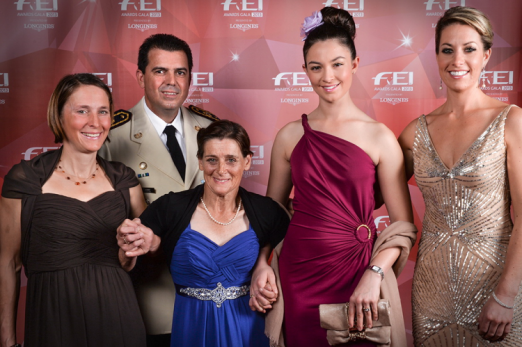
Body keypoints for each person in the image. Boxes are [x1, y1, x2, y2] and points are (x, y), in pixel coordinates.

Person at [265, 7, 417, 347]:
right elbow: (270, 214)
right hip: (298, 273)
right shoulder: (289, 136)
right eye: (316, 67)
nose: (327, 76)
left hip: (357, 274)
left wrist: (374, 274)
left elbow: (404, 226)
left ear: (355, 64)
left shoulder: (380, 137)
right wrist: (265, 264)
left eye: (337, 64)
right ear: (304, 70)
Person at [398, 6, 522, 346]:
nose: (457, 60)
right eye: (447, 50)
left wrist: (507, 295)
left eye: (469, 49)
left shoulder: (511, 121)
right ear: (436, 56)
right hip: (431, 293)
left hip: (496, 289)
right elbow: (371, 195)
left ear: (486, 55)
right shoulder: (414, 133)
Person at [0, 73, 149, 347]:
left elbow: (143, 254)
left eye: (103, 111)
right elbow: (7, 264)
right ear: (58, 117)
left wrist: (135, 248)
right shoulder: (26, 180)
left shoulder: (125, 181)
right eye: (82, 111)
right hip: (52, 320)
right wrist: (7, 342)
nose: (95, 123)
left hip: (119, 319)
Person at [117, 120, 290, 347]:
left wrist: (263, 262)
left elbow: (288, 257)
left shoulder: (267, 212)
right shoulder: (171, 208)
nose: (221, 170)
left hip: (248, 328)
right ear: (200, 161)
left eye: (231, 160)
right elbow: (127, 261)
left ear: (247, 161)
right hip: (191, 327)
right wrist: (140, 244)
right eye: (211, 160)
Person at [98, 33, 218, 347]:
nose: (171, 81)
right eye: (159, 71)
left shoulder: (212, 130)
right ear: (140, 76)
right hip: (149, 300)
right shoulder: (112, 138)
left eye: (180, 72)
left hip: (213, 298)